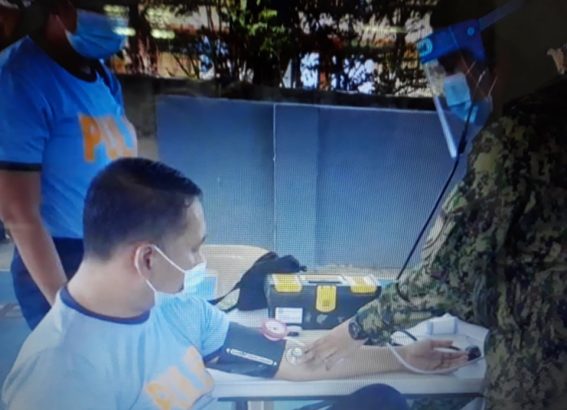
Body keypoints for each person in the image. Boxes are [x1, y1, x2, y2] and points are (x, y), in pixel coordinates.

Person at [1, 158, 468, 410]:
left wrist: (401, 357)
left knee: (383, 403)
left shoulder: (177, 310)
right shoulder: (57, 378)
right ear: (147, 258)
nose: (201, 261)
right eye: (194, 248)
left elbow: (296, 361)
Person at [303, 1, 567, 409]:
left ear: (483, 56)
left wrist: (353, 332)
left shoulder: (514, 141)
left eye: (452, 68)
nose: (453, 84)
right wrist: (404, 352)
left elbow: (445, 275)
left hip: (541, 375)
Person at [0, 0, 136, 329]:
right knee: (81, 355)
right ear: (59, 9)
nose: (112, 19)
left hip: (109, 248)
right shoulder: (20, 80)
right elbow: (18, 214)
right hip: (62, 259)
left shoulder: (101, 75)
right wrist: (67, 306)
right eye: (101, 8)